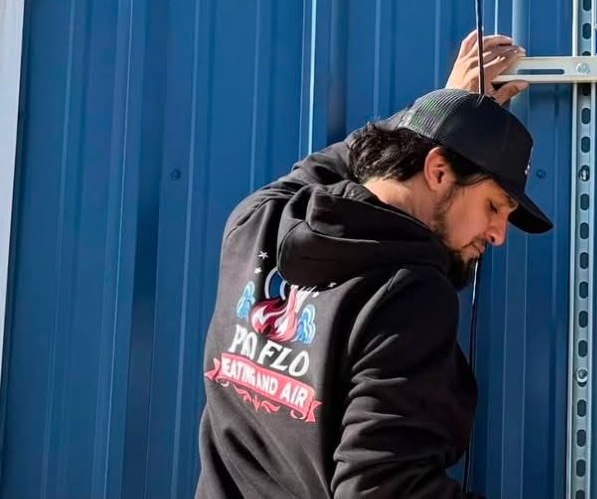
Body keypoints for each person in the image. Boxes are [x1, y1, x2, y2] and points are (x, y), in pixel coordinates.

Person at [196, 32, 548, 499]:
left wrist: (443, 111)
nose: (499, 234)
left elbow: (336, 163)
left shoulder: (258, 220)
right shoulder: (409, 297)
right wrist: (442, 114)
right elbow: (383, 490)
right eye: (493, 206)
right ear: (438, 171)